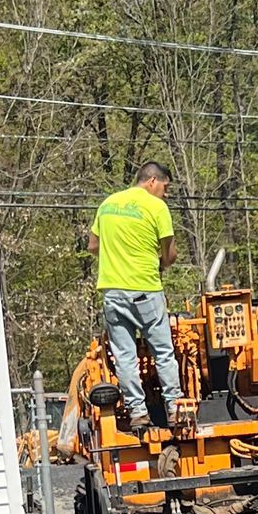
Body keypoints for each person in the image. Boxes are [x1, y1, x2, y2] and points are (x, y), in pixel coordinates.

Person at [89, 161, 189, 430]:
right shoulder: (156, 207)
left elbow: (93, 245)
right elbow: (169, 255)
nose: (165, 194)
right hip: (145, 290)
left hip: (112, 292)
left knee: (124, 357)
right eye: (165, 187)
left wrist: (117, 256)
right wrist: (162, 261)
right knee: (164, 353)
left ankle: (138, 414)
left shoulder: (107, 204)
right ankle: (174, 409)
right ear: (152, 180)